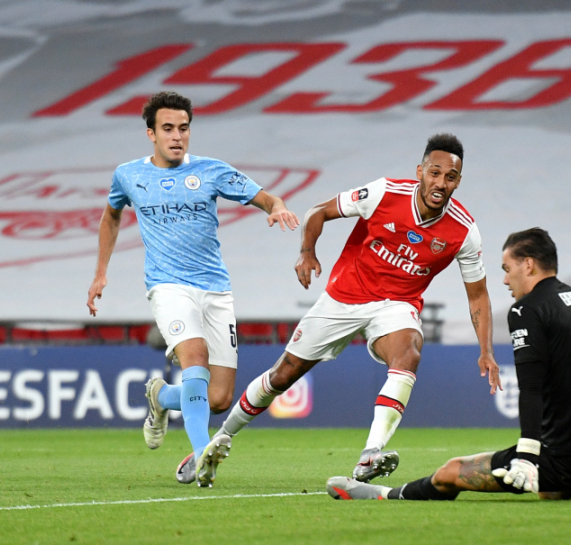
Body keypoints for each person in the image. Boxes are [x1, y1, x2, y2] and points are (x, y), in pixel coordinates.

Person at [214, 133, 502, 483]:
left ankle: (370, 455)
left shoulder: (463, 231)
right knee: (283, 375)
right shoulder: (384, 193)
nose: (440, 183)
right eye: (434, 172)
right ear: (420, 171)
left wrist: (485, 350)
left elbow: (478, 296)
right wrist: (307, 251)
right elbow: (318, 211)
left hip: (396, 305)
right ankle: (223, 436)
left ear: (458, 182)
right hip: (345, 295)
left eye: (450, 177)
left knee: (409, 352)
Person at [325, 228, 571, 502]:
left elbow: (530, 388)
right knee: (559, 485)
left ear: (528, 265)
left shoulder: (527, 310)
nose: (504, 280)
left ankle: (385, 494)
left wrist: (528, 456)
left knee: (450, 472)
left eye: (507, 269)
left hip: (561, 446)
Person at [85, 91, 300, 488]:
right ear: (150, 133)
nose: (177, 136)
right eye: (168, 128)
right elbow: (111, 216)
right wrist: (101, 273)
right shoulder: (129, 175)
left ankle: (162, 397)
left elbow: (267, 197)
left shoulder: (212, 171)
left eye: (183, 128)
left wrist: (278, 208)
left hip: (215, 290)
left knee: (218, 398)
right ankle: (203, 455)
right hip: (167, 286)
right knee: (194, 357)